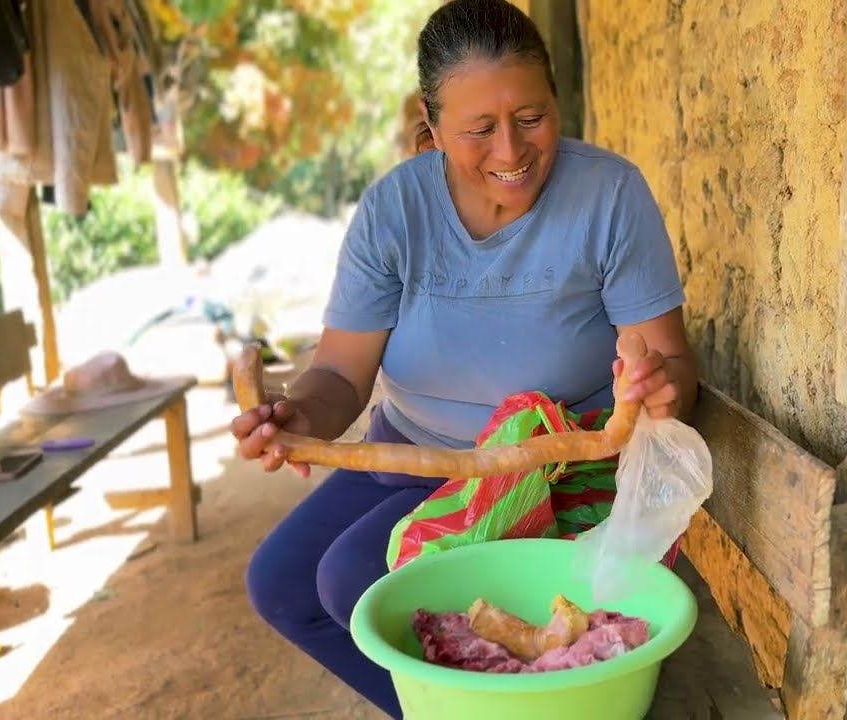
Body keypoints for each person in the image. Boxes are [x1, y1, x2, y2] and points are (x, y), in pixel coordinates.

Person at [229, 0, 698, 716]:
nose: (510, 151)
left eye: (532, 117)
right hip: (409, 452)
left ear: (556, 99)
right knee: (282, 586)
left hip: (550, 471)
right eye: (479, 129)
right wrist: (298, 415)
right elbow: (340, 375)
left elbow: (671, 366)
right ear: (432, 120)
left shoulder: (608, 195)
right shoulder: (394, 211)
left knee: (351, 579)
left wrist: (659, 387)